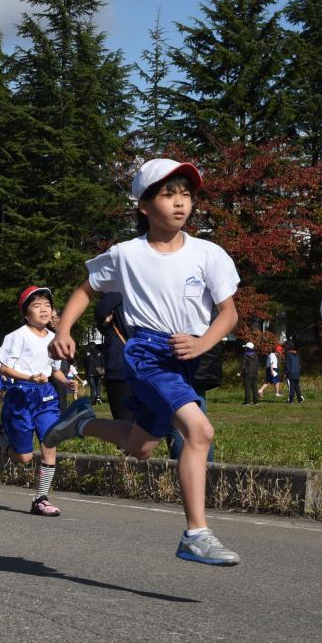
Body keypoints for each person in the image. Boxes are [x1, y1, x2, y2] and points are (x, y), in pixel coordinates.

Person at [44, 157, 242, 566]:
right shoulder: (126, 254)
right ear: (143, 206)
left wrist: (203, 342)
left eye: (186, 194)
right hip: (147, 353)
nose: (180, 203)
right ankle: (196, 533)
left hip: (186, 355)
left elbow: (229, 313)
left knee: (142, 446)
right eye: (169, 194)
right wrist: (63, 330)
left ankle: (80, 422)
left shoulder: (209, 254)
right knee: (199, 432)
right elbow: (86, 289)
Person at [0, 286, 77, 516]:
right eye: (37, 306)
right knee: (23, 458)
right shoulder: (17, 336)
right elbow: (4, 368)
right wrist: (29, 377)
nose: (44, 310)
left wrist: (66, 383)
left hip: (46, 396)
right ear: (26, 313)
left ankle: (41, 499)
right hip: (21, 396)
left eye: (47, 305)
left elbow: (54, 371)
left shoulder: (55, 338)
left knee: (50, 442)